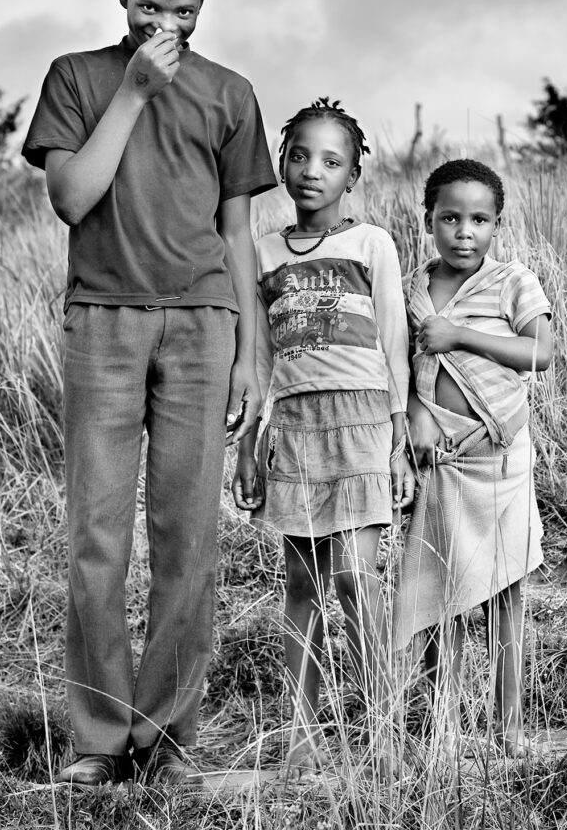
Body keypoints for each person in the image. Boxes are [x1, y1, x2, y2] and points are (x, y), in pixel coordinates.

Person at [22, 0, 276, 786]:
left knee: (188, 541)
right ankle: (100, 737)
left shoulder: (230, 93)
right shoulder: (78, 78)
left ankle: (167, 741)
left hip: (205, 324)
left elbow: (238, 234)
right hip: (104, 320)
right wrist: (130, 95)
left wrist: (253, 351)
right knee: (96, 538)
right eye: (148, 6)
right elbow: (70, 198)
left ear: (202, 8)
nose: (165, 22)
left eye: (183, 10)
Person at [232, 97, 415, 777]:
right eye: (300, 155)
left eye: (330, 160)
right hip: (297, 427)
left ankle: (382, 728)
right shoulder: (260, 252)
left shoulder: (371, 245)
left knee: (353, 577)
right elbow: (255, 360)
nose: (312, 170)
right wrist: (250, 442)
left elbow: (394, 341)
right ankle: (303, 735)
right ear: (281, 162)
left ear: (353, 173)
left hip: (363, 421)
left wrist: (399, 435)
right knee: (302, 585)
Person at [396, 158, 552, 758]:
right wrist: (417, 419)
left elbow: (541, 352)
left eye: (479, 219)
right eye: (450, 218)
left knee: (505, 592)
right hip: (443, 463)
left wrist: (459, 335)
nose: (465, 231)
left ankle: (507, 724)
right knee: (445, 595)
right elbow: (411, 370)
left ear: (498, 224)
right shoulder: (415, 289)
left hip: (502, 460)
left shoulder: (513, 280)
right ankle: (444, 727)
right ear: (428, 219)